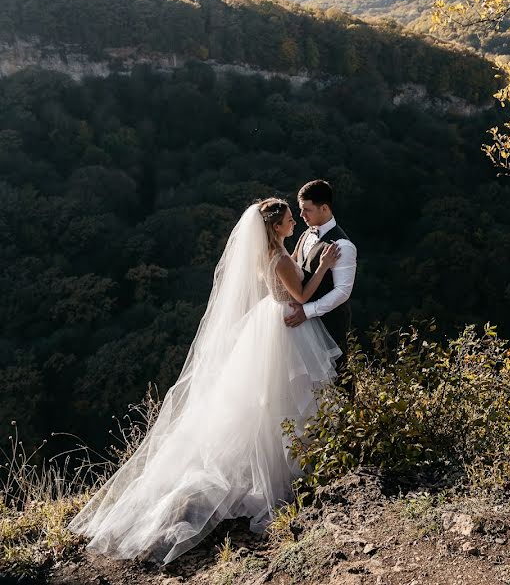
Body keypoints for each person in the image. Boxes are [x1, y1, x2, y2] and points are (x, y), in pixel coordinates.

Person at [69, 199, 341, 564]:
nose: (296, 222)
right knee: (284, 399)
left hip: (266, 325)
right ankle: (290, 473)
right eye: (291, 220)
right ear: (276, 227)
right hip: (284, 328)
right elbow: (302, 295)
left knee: (266, 403)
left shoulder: (269, 254)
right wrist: (323, 266)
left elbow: (285, 266)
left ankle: (288, 467)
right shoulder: (277, 258)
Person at [285, 180, 357, 394]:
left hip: (330, 323)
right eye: (300, 210)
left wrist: (307, 312)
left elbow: (342, 292)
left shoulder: (343, 246)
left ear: (324, 208)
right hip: (304, 326)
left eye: (307, 210)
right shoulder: (306, 234)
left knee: (337, 378)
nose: (302, 216)